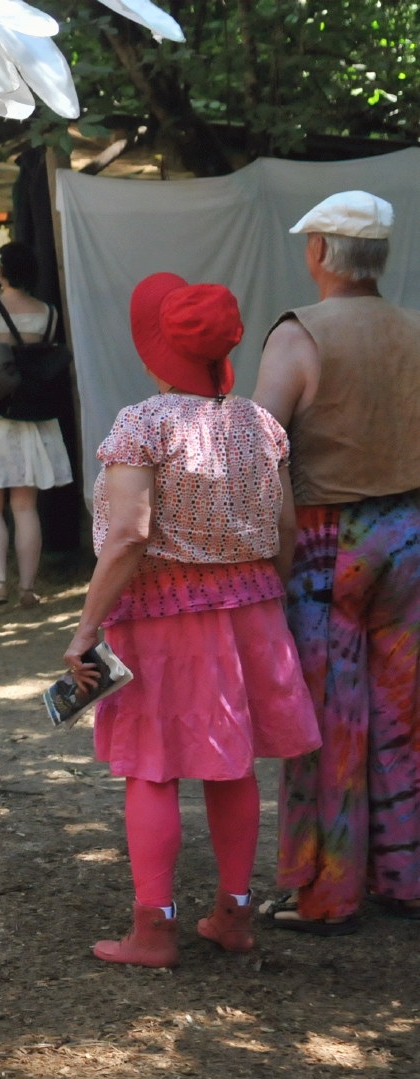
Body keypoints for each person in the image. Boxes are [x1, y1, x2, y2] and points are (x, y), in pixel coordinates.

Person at [66, 274, 319, 968]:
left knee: (151, 770)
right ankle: (232, 916)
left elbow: (126, 535)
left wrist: (86, 630)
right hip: (251, 610)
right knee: (231, 768)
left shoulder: (142, 425)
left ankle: (153, 929)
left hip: (163, 617)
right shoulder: (259, 424)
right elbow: (286, 526)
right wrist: (269, 598)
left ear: (157, 352)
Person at [251, 190, 420, 932]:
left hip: (328, 543)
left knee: (325, 723)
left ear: (320, 253)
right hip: (410, 532)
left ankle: (325, 891)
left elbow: (258, 456)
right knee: (403, 711)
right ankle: (405, 877)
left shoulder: (297, 337)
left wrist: (266, 559)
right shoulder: (415, 330)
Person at [0, 241, 74, 612]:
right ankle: (27, 588)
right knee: (26, 506)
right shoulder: (48, 313)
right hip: (32, 418)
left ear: (1, 271)